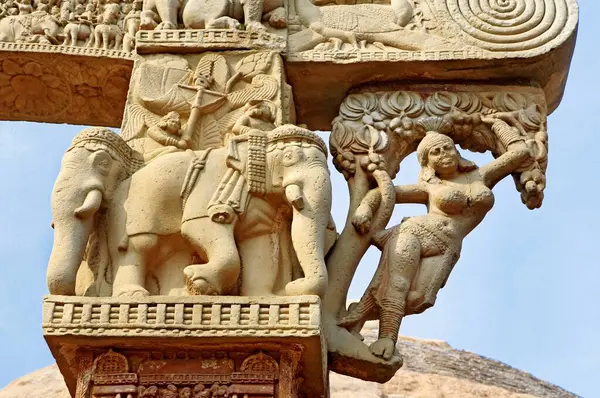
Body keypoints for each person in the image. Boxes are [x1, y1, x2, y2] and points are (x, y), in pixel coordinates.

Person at [339, 114, 533, 360]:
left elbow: (520, 152)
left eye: (448, 148)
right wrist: (365, 210)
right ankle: (387, 338)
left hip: (448, 245)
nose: (445, 154)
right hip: (415, 233)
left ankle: (359, 314)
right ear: (427, 162)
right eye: (436, 152)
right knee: (397, 284)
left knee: (419, 299)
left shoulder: (481, 176)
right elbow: (383, 193)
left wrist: (496, 124)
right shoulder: (429, 187)